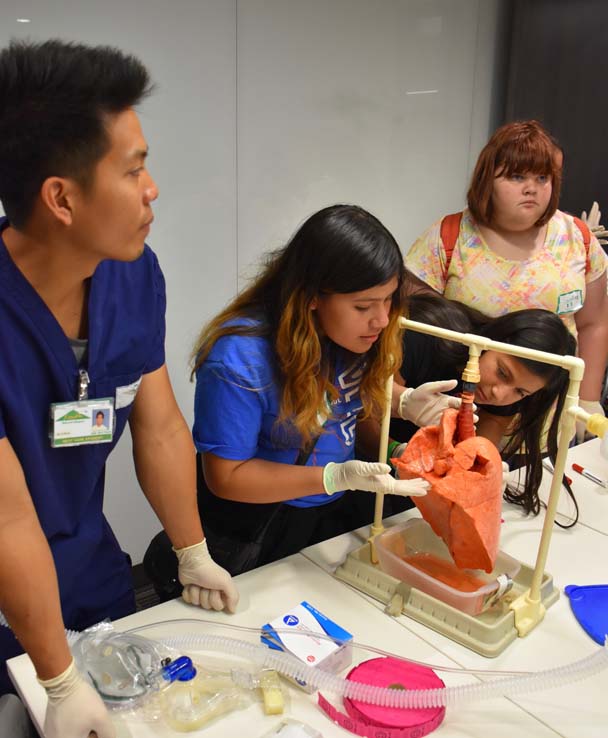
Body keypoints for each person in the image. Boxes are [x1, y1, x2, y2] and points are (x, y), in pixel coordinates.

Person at [0, 39, 238, 738]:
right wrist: (58, 680)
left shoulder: (132, 275)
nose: (152, 187)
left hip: (90, 573)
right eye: (133, 169)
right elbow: (8, 521)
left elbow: (158, 424)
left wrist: (192, 551)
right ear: (61, 198)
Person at [185, 204, 464, 577]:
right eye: (364, 305)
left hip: (328, 515)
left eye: (389, 300)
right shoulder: (239, 359)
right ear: (312, 296)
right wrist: (333, 476)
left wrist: (405, 402)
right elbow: (226, 476)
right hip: (259, 524)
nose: (381, 319)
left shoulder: (353, 331)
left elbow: (353, 394)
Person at [404, 120, 608, 442]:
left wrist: (588, 398)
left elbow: (593, 324)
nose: (532, 188)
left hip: (546, 413)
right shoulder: (448, 238)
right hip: (457, 413)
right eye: (517, 176)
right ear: (487, 179)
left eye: (543, 177)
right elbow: (413, 327)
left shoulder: (577, 239)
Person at [390, 293, 578, 522]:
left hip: (411, 486)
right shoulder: (426, 335)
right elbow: (363, 415)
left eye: (520, 392)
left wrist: (481, 473)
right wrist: (396, 450)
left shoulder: (508, 396)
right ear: (494, 338)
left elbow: (479, 446)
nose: (499, 393)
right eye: (502, 372)